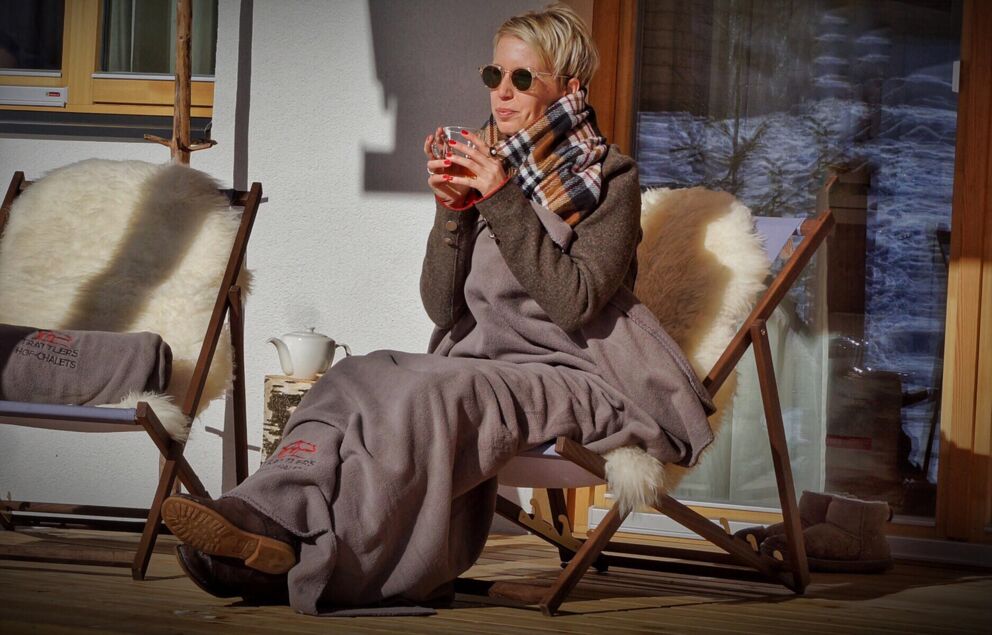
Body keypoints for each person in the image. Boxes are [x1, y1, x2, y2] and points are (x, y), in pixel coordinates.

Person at [162, 3, 714, 614]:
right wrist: (451, 213)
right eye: (494, 76)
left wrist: (499, 199)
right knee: (356, 375)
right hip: (481, 359)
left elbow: (574, 302)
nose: (502, 94)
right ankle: (265, 516)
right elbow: (442, 306)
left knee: (428, 396)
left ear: (570, 86)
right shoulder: (489, 165)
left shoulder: (609, 178)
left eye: (522, 79)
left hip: (574, 374)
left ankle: (333, 566)